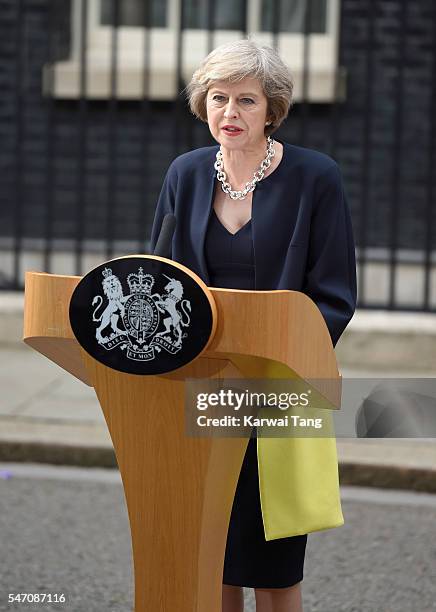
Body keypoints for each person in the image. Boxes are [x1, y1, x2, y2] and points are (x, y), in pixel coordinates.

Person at [150, 39, 357, 612]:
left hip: (278, 386)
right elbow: (158, 281)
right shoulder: (186, 173)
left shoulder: (316, 177)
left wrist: (276, 353)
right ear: (202, 104)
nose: (230, 113)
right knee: (210, 555)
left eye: (246, 100)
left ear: (272, 109)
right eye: (219, 99)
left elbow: (335, 294)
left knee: (272, 561)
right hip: (203, 385)